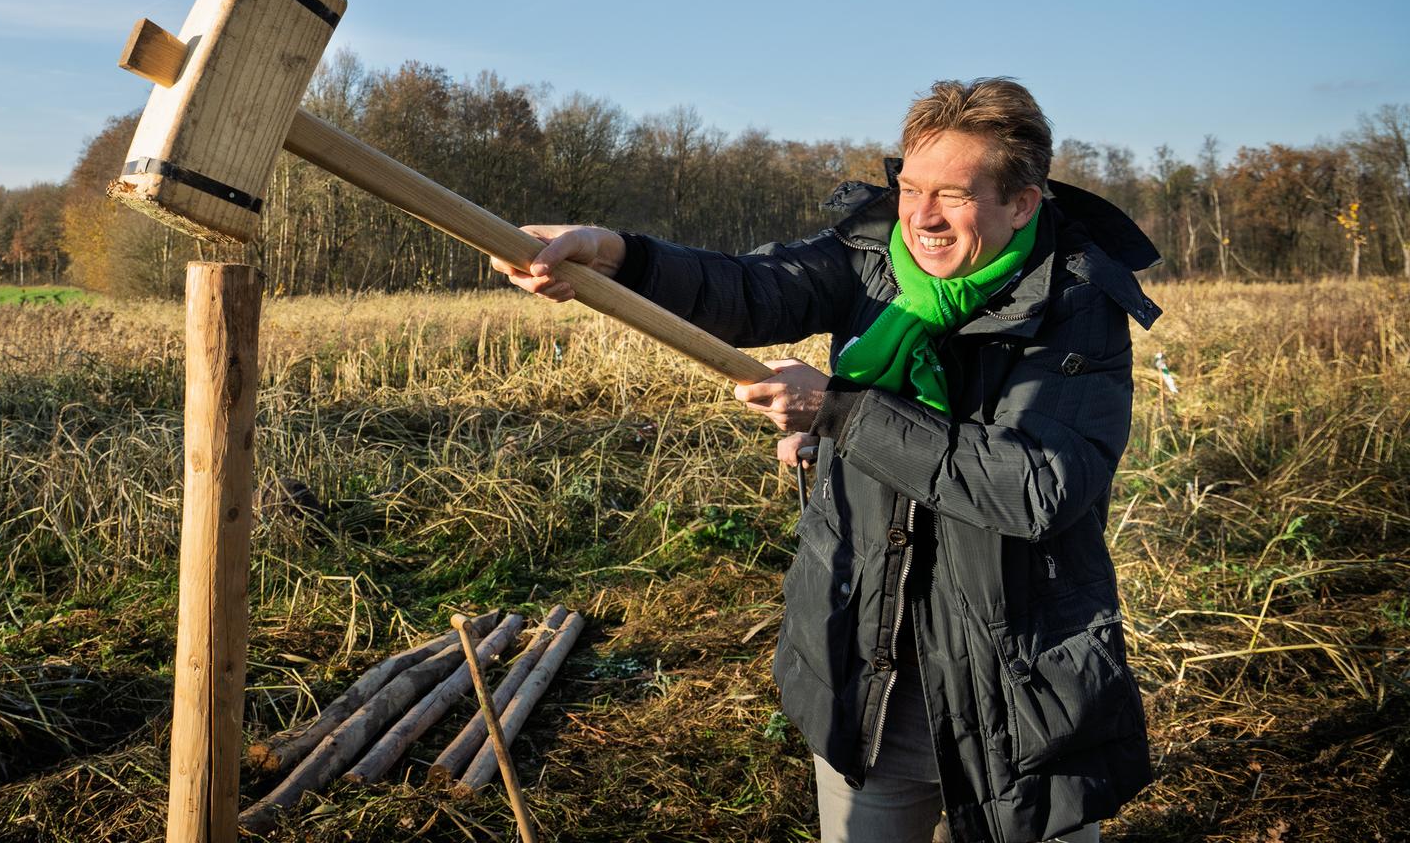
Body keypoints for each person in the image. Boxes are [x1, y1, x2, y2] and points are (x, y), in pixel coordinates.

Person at [495, 78, 1161, 843]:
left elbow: (1036, 486)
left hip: (1019, 687)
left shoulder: (1077, 305)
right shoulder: (871, 256)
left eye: (953, 193)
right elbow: (750, 290)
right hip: (865, 670)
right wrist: (616, 256)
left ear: (1022, 202)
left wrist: (843, 412)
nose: (921, 216)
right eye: (910, 187)